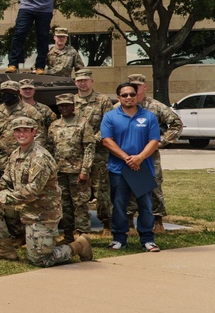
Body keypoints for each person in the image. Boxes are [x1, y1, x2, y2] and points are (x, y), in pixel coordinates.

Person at [0, 117, 93, 265]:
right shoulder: (16, 154)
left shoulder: (40, 157)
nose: (21, 134)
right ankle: (6, 249)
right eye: (18, 130)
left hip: (42, 213)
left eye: (25, 130)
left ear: (34, 132)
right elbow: (6, 181)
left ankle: (79, 245)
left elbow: (32, 192)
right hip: (23, 206)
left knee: (41, 260)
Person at [101, 83, 162, 252]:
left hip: (141, 168)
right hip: (118, 170)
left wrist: (139, 158)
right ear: (119, 98)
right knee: (119, 205)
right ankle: (119, 239)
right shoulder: (110, 117)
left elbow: (154, 141)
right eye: (124, 95)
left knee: (146, 206)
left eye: (132, 94)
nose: (129, 97)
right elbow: (106, 140)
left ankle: (148, 240)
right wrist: (126, 157)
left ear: (137, 96)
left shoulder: (149, 117)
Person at [0, 81, 44, 242]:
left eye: (10, 91)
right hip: (4, 163)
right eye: (4, 92)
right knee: (8, 200)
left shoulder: (30, 111)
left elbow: (40, 136)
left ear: (17, 92)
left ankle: (29, 232)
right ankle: (17, 234)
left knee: (27, 197)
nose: (7, 94)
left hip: (28, 162)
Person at [124, 74, 181, 235]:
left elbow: (176, 124)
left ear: (145, 87)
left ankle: (158, 221)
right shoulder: (122, 106)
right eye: (131, 85)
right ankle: (129, 222)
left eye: (138, 85)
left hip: (150, 156)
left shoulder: (155, 106)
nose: (134, 88)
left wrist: (161, 141)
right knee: (130, 187)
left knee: (154, 187)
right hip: (129, 155)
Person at [46, 93, 95, 241]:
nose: (64, 108)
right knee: (63, 203)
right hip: (59, 172)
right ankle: (68, 234)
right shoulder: (54, 125)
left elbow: (89, 148)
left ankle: (82, 234)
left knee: (80, 203)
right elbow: (49, 148)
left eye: (67, 105)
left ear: (73, 107)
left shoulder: (83, 123)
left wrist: (85, 170)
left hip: (78, 171)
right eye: (61, 106)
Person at [73, 69, 115, 235]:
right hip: (77, 155)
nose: (82, 83)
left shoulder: (102, 100)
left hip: (99, 153)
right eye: (79, 80)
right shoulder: (72, 101)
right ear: (75, 83)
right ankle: (81, 226)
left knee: (102, 191)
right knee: (79, 192)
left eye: (86, 80)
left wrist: (91, 139)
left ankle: (107, 224)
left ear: (92, 81)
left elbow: (109, 124)